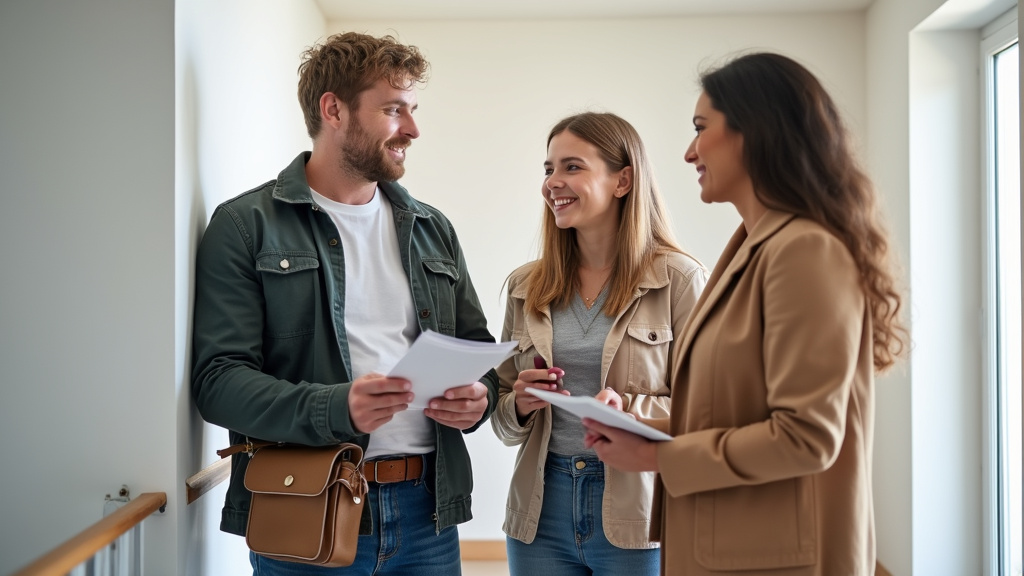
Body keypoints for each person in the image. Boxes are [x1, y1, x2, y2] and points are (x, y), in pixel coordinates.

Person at [582, 52, 907, 576]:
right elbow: (736, 412)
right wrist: (643, 428)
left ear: (755, 132)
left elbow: (806, 437)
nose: (689, 152)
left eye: (700, 128)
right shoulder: (752, 247)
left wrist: (657, 458)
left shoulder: (804, 250)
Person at [191, 32, 499, 575]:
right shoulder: (244, 226)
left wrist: (481, 400)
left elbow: (478, 352)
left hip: (427, 517)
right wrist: (336, 408)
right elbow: (218, 382)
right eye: (394, 109)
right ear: (333, 109)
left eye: (413, 110)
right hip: (307, 509)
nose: (413, 129)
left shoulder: (432, 228)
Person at [491, 112, 708, 576]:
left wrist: (627, 408)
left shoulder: (679, 280)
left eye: (572, 166)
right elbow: (503, 422)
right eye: (548, 168)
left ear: (623, 180)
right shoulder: (524, 286)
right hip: (540, 511)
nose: (553, 182)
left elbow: (708, 410)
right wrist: (521, 404)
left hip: (640, 511)